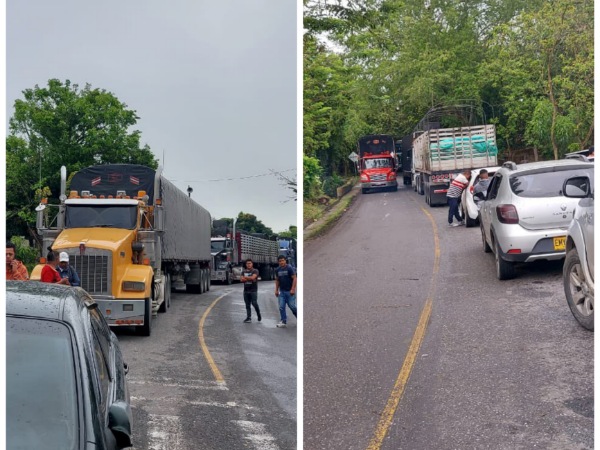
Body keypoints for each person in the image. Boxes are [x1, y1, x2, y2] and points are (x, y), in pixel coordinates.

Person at [275, 255, 297, 328]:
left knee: (292, 307)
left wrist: (293, 289)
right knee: (281, 307)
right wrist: (276, 290)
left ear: (285, 260)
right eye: (280, 261)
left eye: (283, 260)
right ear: (278, 262)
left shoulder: (289, 268)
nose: (281, 262)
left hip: (289, 291)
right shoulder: (278, 270)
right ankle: (283, 321)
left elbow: (294, 278)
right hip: (282, 291)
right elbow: (277, 280)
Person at [240, 258, 261, 323]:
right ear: (246, 265)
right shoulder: (243, 271)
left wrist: (246, 278)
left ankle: (258, 313)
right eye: (247, 263)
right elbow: (241, 280)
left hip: (253, 290)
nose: (248, 265)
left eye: (250, 263)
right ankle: (248, 317)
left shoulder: (255, 271)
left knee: (254, 303)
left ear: (252, 264)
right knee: (247, 305)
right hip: (246, 290)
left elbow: (253, 278)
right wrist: (250, 278)